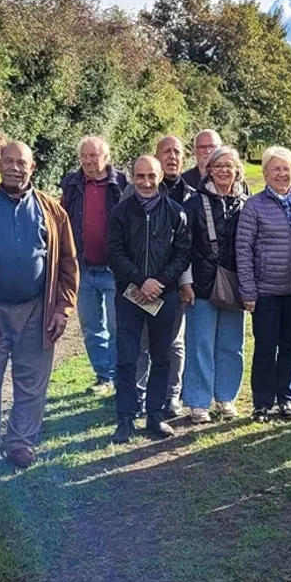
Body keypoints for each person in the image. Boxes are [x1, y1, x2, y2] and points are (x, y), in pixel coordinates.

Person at [0, 141, 78, 476]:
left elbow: (69, 263)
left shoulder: (52, 210)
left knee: (31, 381)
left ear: (33, 167)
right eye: (8, 161)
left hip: (36, 310)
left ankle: (20, 442)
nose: (15, 167)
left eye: (22, 162)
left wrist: (62, 308)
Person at [108, 155, 192, 443]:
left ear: (160, 177)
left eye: (151, 176)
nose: (146, 182)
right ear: (132, 177)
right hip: (129, 294)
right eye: (140, 176)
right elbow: (115, 253)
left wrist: (161, 281)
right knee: (127, 358)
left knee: (161, 358)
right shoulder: (120, 212)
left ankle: (155, 416)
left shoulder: (175, 212)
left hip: (164, 295)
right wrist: (140, 281)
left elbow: (182, 253)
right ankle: (125, 419)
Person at [235, 146, 291, 422]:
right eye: (275, 169)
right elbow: (243, 250)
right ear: (266, 173)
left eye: (286, 168)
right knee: (266, 346)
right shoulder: (253, 206)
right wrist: (248, 290)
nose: (282, 173)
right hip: (266, 290)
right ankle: (262, 403)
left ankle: (286, 399)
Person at [128, 135, 195, 419]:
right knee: (141, 343)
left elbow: (186, 245)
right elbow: (122, 242)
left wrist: (181, 280)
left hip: (173, 282)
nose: (172, 156)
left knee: (174, 342)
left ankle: (171, 396)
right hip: (137, 284)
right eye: (166, 151)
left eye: (177, 152)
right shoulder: (132, 194)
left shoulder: (190, 194)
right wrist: (139, 282)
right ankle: (139, 396)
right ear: (156, 156)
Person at [182, 146, 249, 423]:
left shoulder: (246, 203)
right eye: (218, 165)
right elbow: (182, 247)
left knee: (232, 344)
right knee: (200, 343)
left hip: (235, 284)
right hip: (200, 284)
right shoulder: (193, 204)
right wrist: (185, 281)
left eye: (229, 165)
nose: (224, 170)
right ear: (208, 170)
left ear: (237, 170)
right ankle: (198, 402)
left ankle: (225, 398)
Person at [60, 136, 128, 396]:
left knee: (117, 325)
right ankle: (104, 377)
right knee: (91, 327)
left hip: (114, 269)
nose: (88, 161)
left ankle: (123, 375)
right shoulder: (71, 183)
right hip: (83, 268)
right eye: (84, 156)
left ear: (106, 157)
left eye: (94, 156)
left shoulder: (122, 183)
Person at [183, 129, 251, 195]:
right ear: (194, 151)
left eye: (212, 146)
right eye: (202, 147)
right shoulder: (184, 182)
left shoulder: (239, 185)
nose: (208, 151)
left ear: (221, 148)